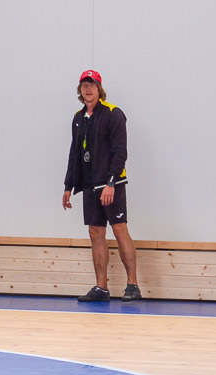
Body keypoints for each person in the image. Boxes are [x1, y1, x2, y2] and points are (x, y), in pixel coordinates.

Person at [62, 70, 141, 302]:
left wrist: (111, 183)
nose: (88, 89)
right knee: (95, 233)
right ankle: (101, 288)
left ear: (99, 89)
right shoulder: (78, 117)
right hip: (89, 186)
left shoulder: (113, 113)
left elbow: (120, 152)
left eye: (92, 85)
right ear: (80, 89)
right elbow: (74, 154)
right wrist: (68, 186)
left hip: (111, 185)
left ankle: (133, 286)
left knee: (119, 230)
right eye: (84, 85)